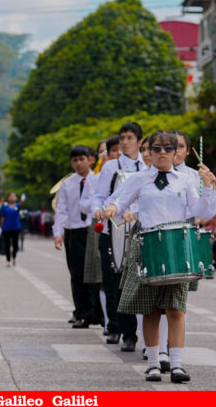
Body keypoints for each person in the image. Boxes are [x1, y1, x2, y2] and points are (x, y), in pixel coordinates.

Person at [103, 130, 216, 383]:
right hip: (148, 246)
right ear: (150, 152)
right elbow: (118, 201)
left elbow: (201, 210)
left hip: (177, 246)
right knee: (150, 310)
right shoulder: (138, 179)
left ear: (177, 151)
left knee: (176, 309)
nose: (163, 153)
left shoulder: (185, 180)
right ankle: (154, 364)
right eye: (157, 148)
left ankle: (176, 365)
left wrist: (208, 187)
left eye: (169, 148)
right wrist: (111, 209)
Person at [92, 122, 144, 352]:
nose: (124, 141)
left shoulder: (147, 165)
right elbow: (99, 196)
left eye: (130, 137)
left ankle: (138, 333)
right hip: (111, 230)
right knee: (114, 283)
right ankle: (122, 330)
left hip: (138, 230)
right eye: (122, 137)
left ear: (140, 142)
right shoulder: (110, 167)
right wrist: (100, 209)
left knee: (138, 283)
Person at [53, 145, 98, 329]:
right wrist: (58, 233)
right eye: (75, 160)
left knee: (96, 274)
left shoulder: (98, 180)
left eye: (82, 159)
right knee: (77, 273)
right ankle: (81, 312)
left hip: (94, 229)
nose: (79, 163)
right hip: (75, 231)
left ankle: (97, 312)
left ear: (90, 159)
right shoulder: (67, 184)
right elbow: (61, 210)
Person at [0, 193, 22, 267]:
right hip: (6, 228)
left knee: (15, 245)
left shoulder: (17, 206)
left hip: (15, 228)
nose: (12, 197)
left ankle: (14, 258)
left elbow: (21, 205)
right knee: (7, 245)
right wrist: (0, 226)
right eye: (11, 196)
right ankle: (8, 260)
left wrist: (22, 200)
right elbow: (2, 217)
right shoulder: (5, 207)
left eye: (14, 196)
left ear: (16, 198)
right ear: (8, 198)